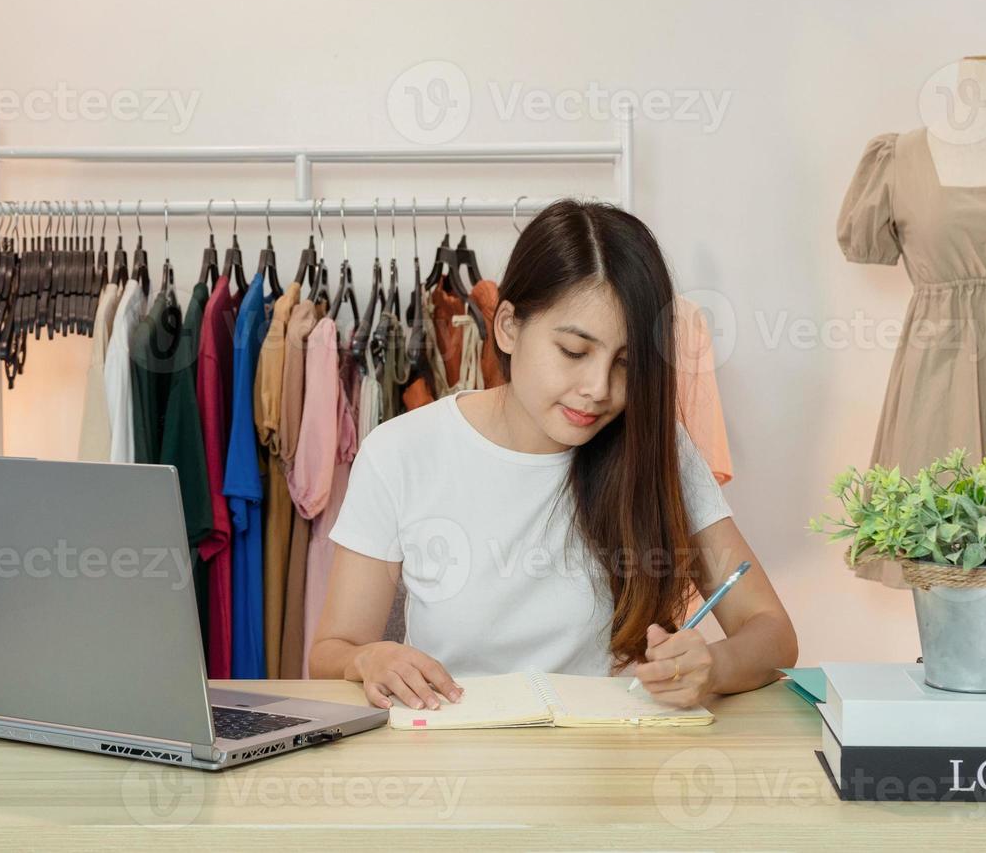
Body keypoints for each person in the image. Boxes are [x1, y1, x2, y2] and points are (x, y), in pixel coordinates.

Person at [309, 199, 796, 711]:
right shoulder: (400, 451)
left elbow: (773, 634)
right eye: (574, 352)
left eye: (626, 364)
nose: (598, 389)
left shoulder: (656, 446)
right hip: (453, 768)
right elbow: (331, 650)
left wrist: (712, 667)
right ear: (508, 327)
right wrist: (368, 659)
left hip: (612, 765)